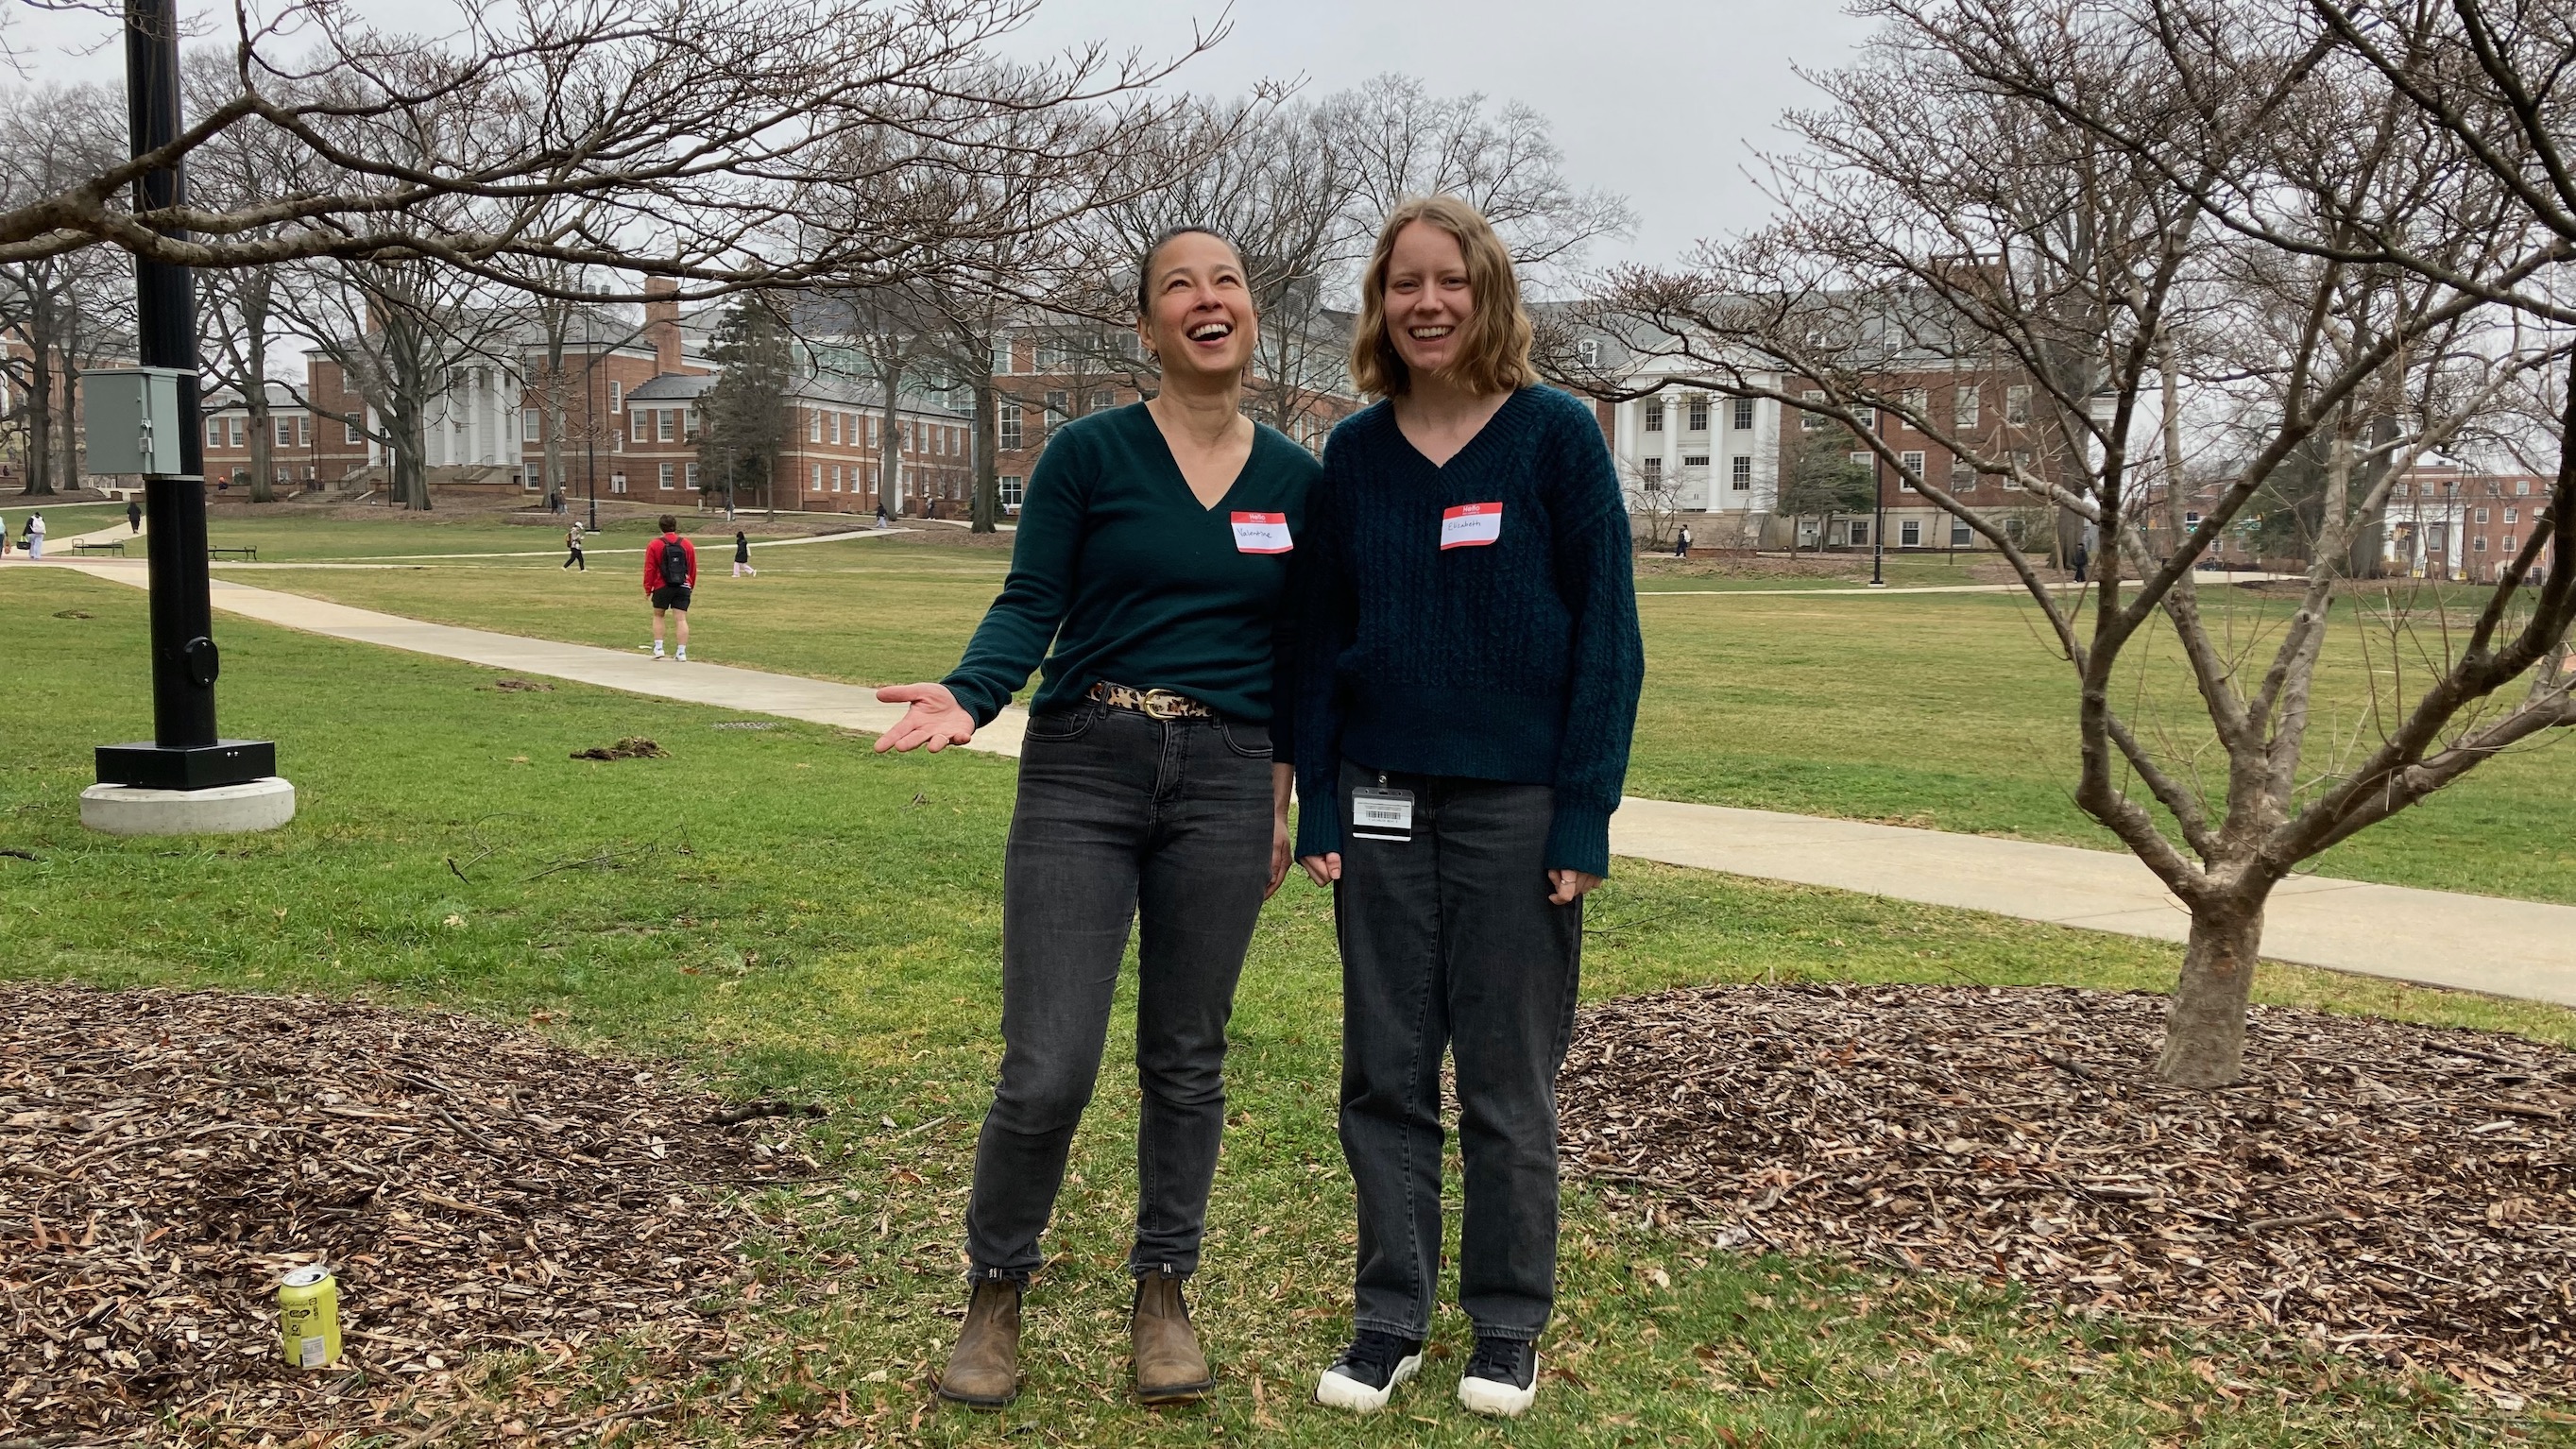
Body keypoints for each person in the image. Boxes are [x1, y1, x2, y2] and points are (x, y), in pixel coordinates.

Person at [873, 226, 1317, 1411]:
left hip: (1225, 777)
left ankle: (1164, 1288)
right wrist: (970, 693)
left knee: (1187, 1056)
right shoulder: (1087, 454)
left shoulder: (1297, 483)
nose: (1206, 298)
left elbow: (1295, 656)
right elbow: (1033, 598)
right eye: (1180, 285)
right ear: (1148, 325)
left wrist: (1280, 799)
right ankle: (996, 1288)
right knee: (1048, 1064)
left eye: (1228, 279)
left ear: (1253, 315)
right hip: (1084, 765)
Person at [1291, 196, 1644, 1421]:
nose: (1425, 303)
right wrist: (1321, 804)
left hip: (1513, 807)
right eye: (1403, 285)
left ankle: (1505, 1324)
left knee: (1505, 1079)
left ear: (1485, 294)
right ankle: (1388, 1313)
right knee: (1383, 1073)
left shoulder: (1551, 437)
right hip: (1383, 800)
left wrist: (1581, 815)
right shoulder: (1355, 454)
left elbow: (1607, 636)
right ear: (1378, 306)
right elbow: (1320, 637)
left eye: (1447, 281)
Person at [642, 516, 694, 659]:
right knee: (681, 619)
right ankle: (682, 652)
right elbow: (692, 567)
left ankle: (659, 648)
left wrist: (648, 588)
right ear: (675, 526)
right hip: (683, 585)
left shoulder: (654, 545)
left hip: (662, 585)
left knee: (659, 615)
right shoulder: (687, 544)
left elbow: (650, 569)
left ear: (660, 527)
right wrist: (691, 585)